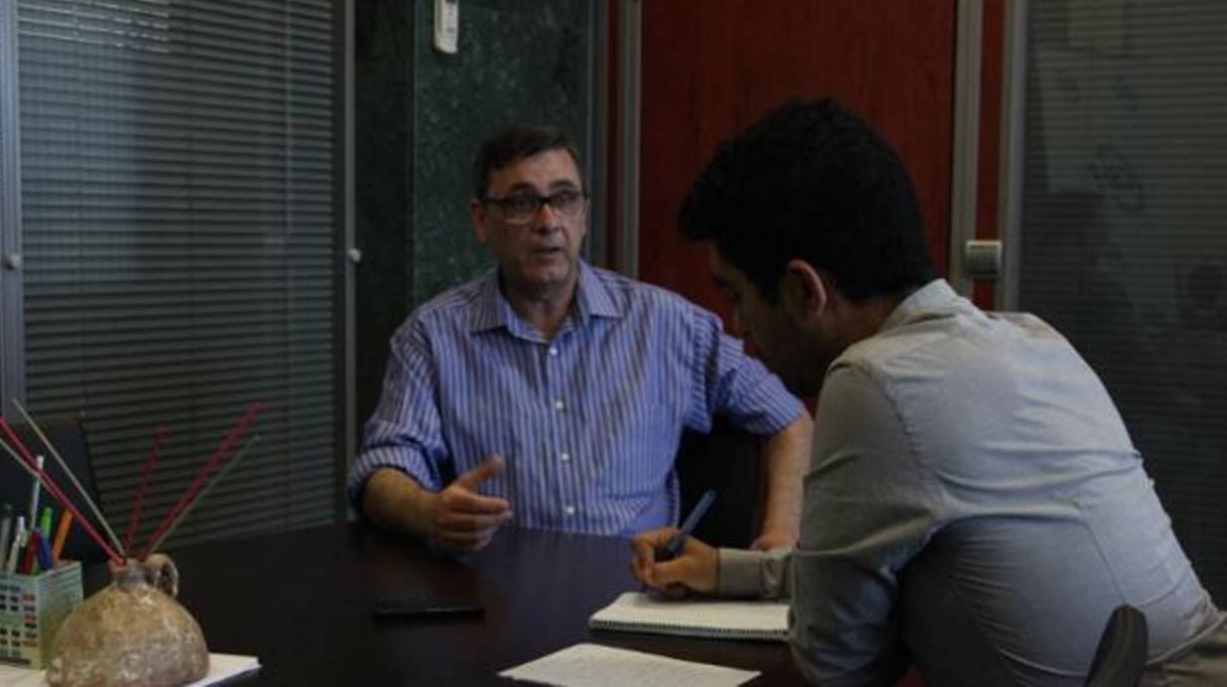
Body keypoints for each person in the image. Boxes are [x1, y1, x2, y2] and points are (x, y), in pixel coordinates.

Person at [630, 98, 1227, 686]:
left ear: (801, 290)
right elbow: (872, 568)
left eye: (736, 295)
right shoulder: (1031, 338)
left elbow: (836, 669)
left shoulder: (874, 382)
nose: (737, 327)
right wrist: (732, 571)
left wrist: (641, 655)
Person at [350, 125, 813, 553]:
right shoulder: (433, 335)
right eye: (520, 202)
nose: (548, 221)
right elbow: (380, 468)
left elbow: (788, 419)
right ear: (481, 221)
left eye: (565, 199)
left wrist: (777, 544)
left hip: (637, 595)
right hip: (495, 596)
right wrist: (428, 512)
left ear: (585, 215)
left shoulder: (666, 323)